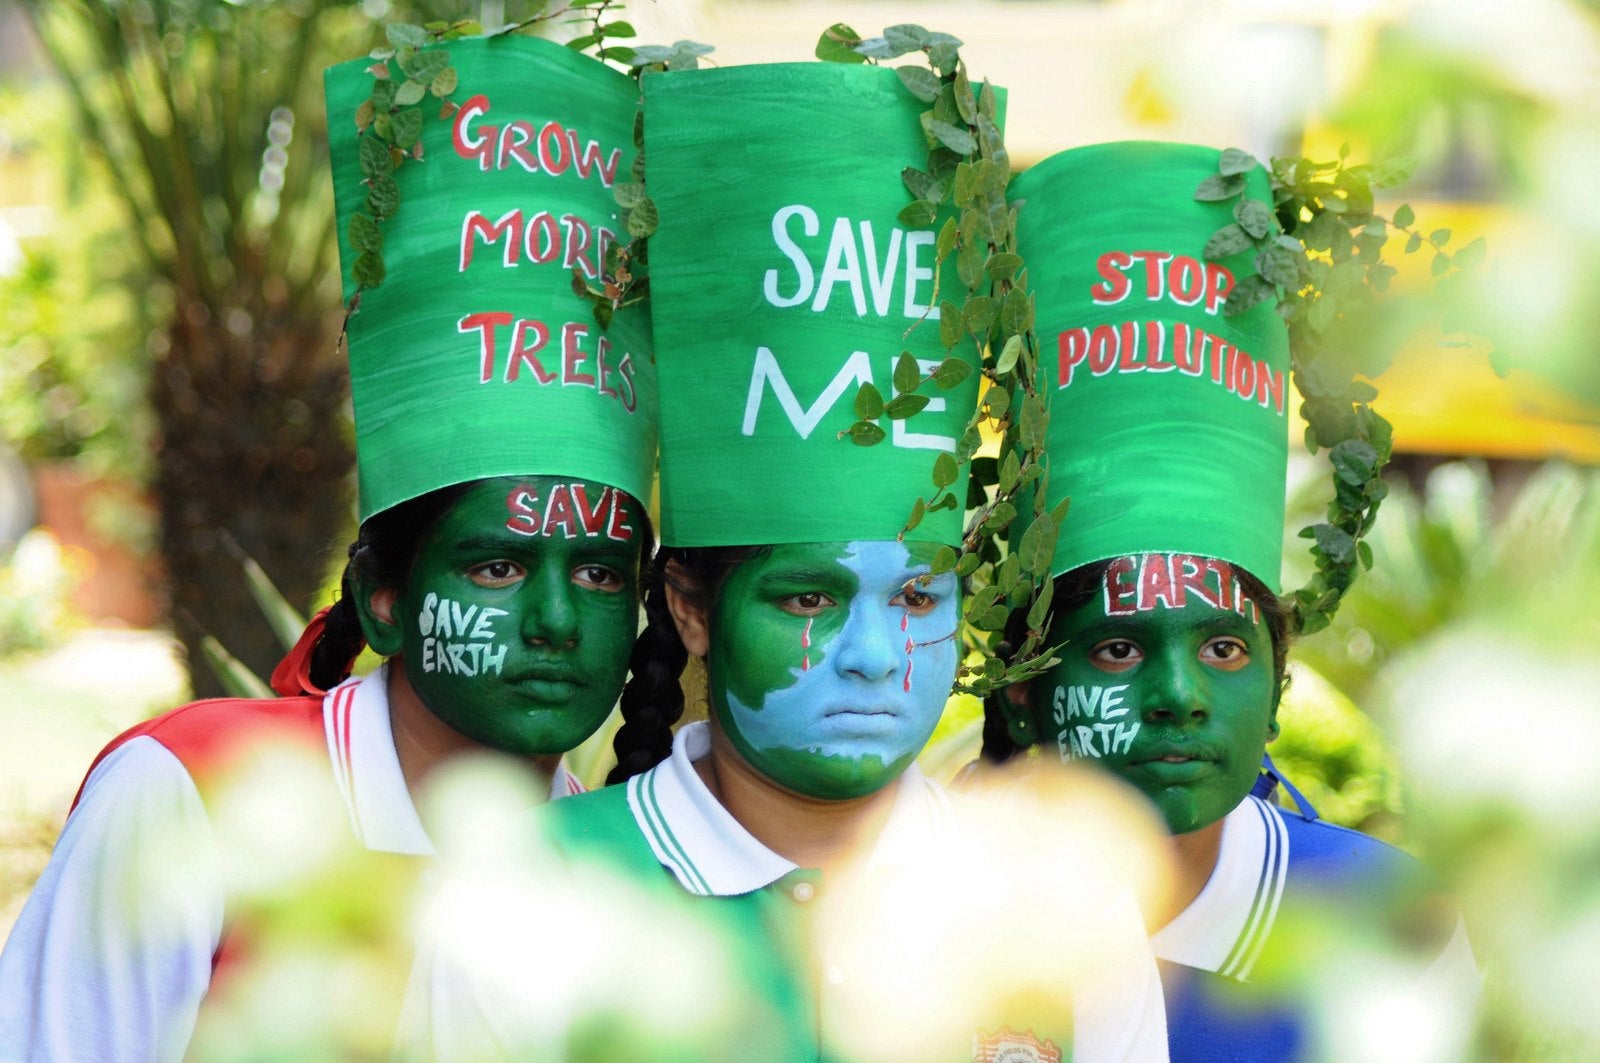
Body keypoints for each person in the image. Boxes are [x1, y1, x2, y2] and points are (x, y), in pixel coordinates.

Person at [400, 60, 1170, 1063]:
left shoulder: (1062, 906)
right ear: (687, 607)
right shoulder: (528, 895)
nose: (868, 654)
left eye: (916, 596)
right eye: (807, 596)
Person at [0, 32, 656, 1060]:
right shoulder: (197, 795)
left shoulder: (629, 880)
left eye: (602, 573)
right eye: (494, 565)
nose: (557, 620)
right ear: (382, 595)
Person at [978, 141, 1479, 1061]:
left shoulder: (1389, 922)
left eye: (1225, 648)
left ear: (1282, 681)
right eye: (1119, 649)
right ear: (1020, 682)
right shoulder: (913, 917)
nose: (1180, 693)